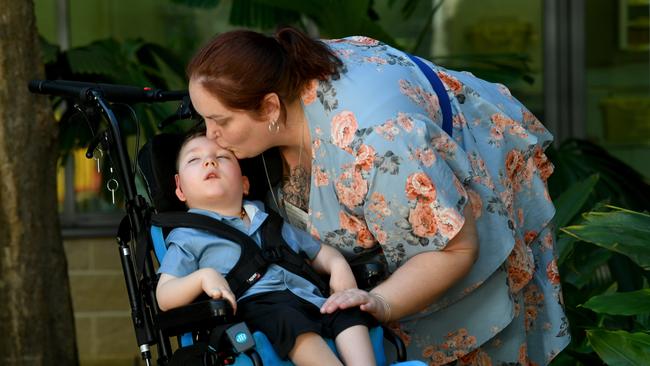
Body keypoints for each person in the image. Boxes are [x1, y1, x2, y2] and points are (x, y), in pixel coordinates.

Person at [185, 27, 570, 365]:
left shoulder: (376, 141)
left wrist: (381, 303)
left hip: (456, 174)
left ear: (269, 106)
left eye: (219, 122)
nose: (209, 135)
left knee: (473, 331)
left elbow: (452, 248)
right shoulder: (278, 75)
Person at [155, 128, 377, 366]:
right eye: (194, 159)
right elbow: (164, 296)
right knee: (286, 317)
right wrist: (203, 277)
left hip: (310, 298)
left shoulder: (269, 221)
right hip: (255, 308)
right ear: (179, 188)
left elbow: (319, 251)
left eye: (223, 157)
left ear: (244, 183)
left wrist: (338, 266)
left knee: (347, 307)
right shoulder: (188, 235)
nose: (209, 161)